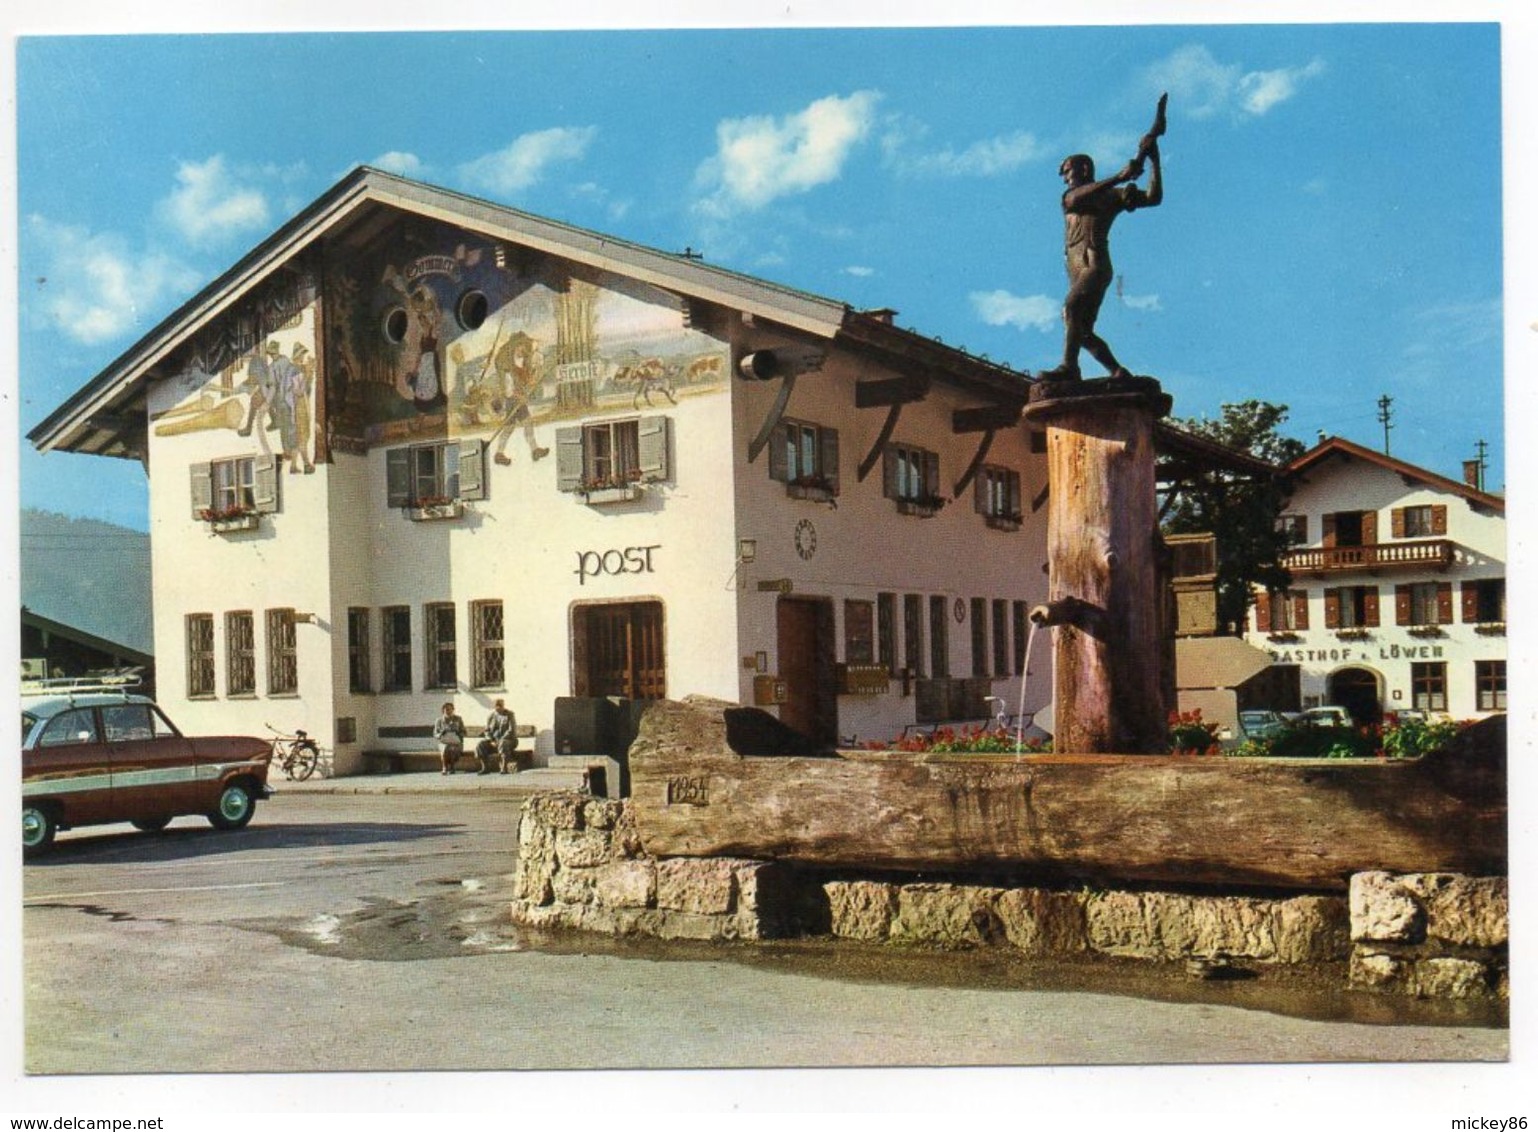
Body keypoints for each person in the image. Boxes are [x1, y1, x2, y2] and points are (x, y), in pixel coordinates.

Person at [1041, 129, 1163, 382]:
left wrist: (1153, 160)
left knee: (1072, 309)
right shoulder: (1074, 197)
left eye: (1067, 170)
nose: (1064, 178)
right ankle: (1118, 372)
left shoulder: (1110, 197)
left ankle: (1069, 367)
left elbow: (1153, 198)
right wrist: (1119, 176)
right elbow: (1074, 200)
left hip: (1094, 263)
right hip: (1075, 268)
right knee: (1080, 329)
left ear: (1084, 169)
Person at [476, 698, 520, 775]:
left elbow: (511, 730)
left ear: (503, 706)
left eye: (500, 705)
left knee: (503, 743)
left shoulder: (510, 715)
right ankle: (485, 767)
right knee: (481, 744)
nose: (498, 707)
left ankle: (503, 767)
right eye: (496, 706)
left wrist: (500, 740)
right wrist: (491, 740)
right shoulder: (491, 716)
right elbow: (487, 730)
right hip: (494, 741)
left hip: (509, 740)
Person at [433, 702, 466, 775]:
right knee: (445, 748)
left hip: (456, 742)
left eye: (450, 709)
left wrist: (458, 732)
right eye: (446, 710)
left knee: (452, 748)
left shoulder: (458, 719)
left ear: (453, 710)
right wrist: (441, 733)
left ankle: (452, 766)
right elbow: (435, 734)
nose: (448, 711)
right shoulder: (439, 721)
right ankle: (444, 767)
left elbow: (464, 732)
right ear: (443, 711)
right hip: (444, 742)